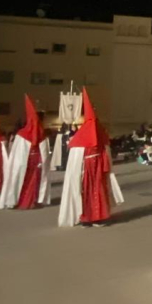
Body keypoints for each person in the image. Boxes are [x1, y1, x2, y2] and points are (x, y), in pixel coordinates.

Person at [57, 89, 125, 228]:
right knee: (85, 193)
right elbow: (75, 160)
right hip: (86, 171)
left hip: (98, 170)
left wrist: (106, 167)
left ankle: (100, 217)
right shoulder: (81, 137)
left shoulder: (101, 133)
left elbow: (106, 151)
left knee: (99, 192)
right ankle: (86, 217)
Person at [0, 95, 53, 210]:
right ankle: (20, 200)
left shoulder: (36, 135)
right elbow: (17, 154)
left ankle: (30, 200)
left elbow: (44, 152)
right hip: (29, 162)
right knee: (24, 180)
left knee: (32, 181)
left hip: (35, 162)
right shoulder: (22, 135)